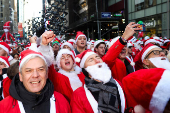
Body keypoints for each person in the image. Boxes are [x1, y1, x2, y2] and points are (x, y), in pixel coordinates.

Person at [0, 49, 71, 113]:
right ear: (21, 76)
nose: (35, 75)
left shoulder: (61, 101)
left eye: (40, 69)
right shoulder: (4, 107)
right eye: (29, 71)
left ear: (46, 74)